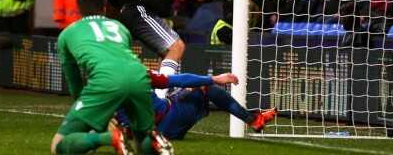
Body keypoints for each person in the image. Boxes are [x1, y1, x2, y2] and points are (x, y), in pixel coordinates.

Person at [50, 0, 171, 155]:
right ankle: (154, 137)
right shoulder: (120, 28)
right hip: (139, 77)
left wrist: (89, 115)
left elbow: (74, 81)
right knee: (141, 137)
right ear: (104, 8)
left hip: (106, 81)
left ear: (79, 11)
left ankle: (109, 138)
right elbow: (121, 64)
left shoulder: (67, 34)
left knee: (58, 146)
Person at [117, 70, 277, 140]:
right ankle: (253, 119)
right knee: (205, 87)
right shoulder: (135, 73)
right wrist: (214, 78)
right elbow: (178, 79)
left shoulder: (99, 88)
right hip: (170, 118)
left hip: (150, 133)